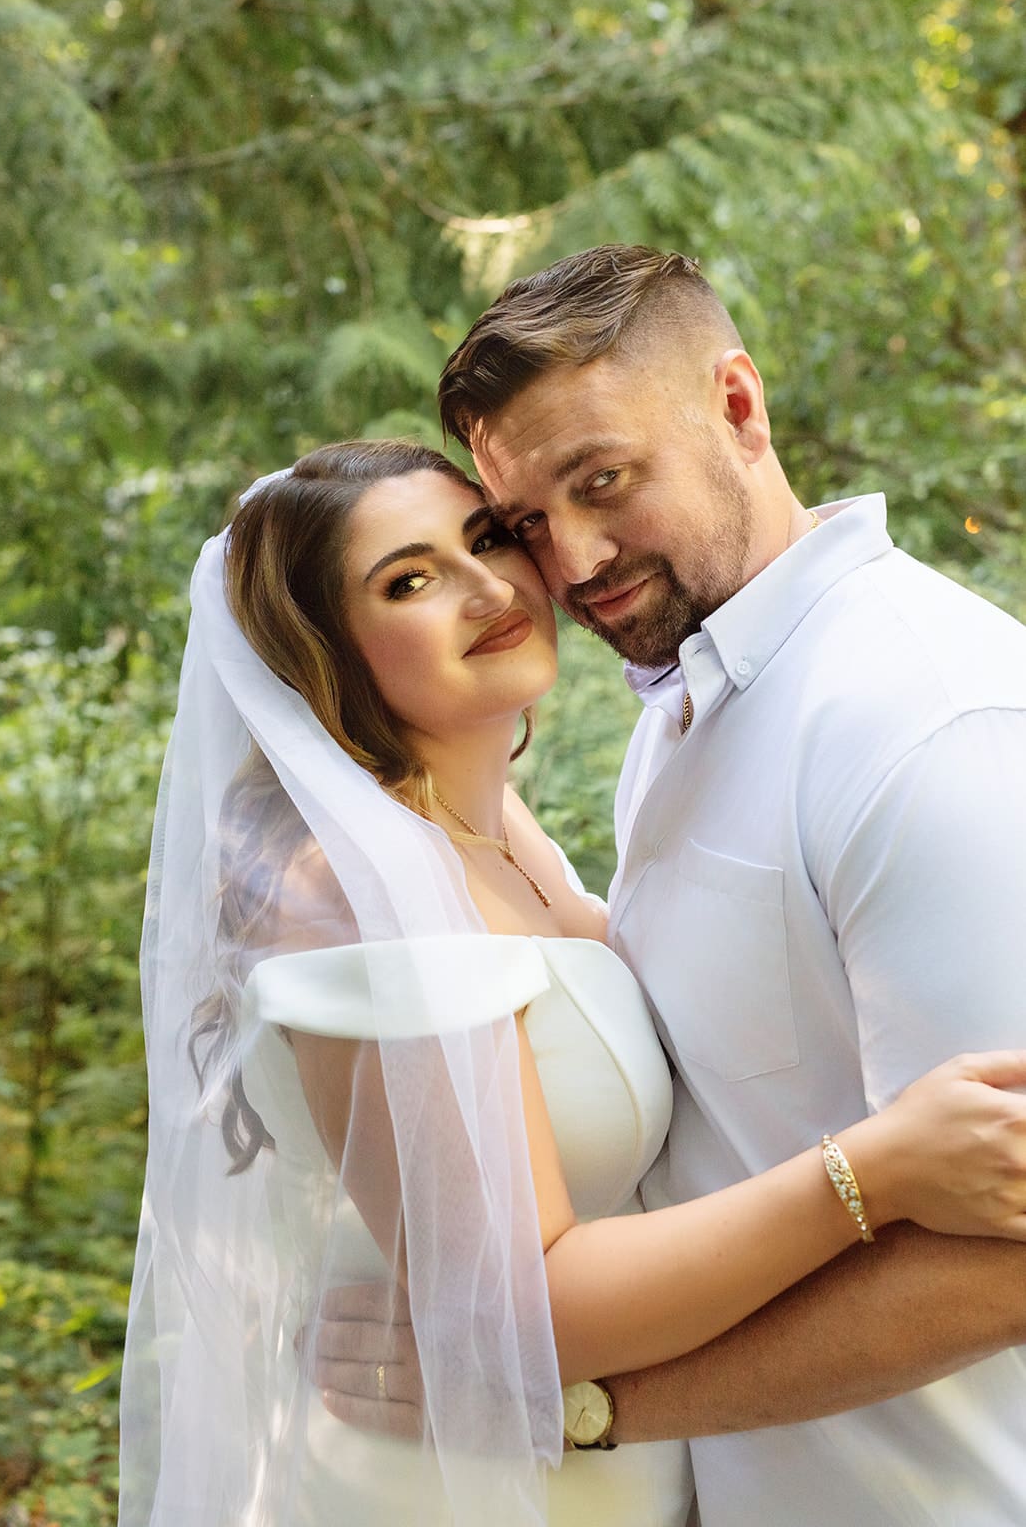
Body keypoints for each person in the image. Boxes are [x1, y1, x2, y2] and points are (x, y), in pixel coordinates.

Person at [115, 435, 1026, 1527]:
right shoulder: (342, 891)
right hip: (436, 1490)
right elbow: (513, 1306)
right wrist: (870, 1170)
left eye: (488, 538)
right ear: (328, 651)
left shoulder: (497, 828)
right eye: (408, 579)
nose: (487, 584)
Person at [426, 245, 1026, 1524]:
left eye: (602, 482)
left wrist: (600, 1406)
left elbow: (1011, 1262)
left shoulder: (928, 718)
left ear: (737, 408)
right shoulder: (693, 705)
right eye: (529, 523)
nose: (574, 560)